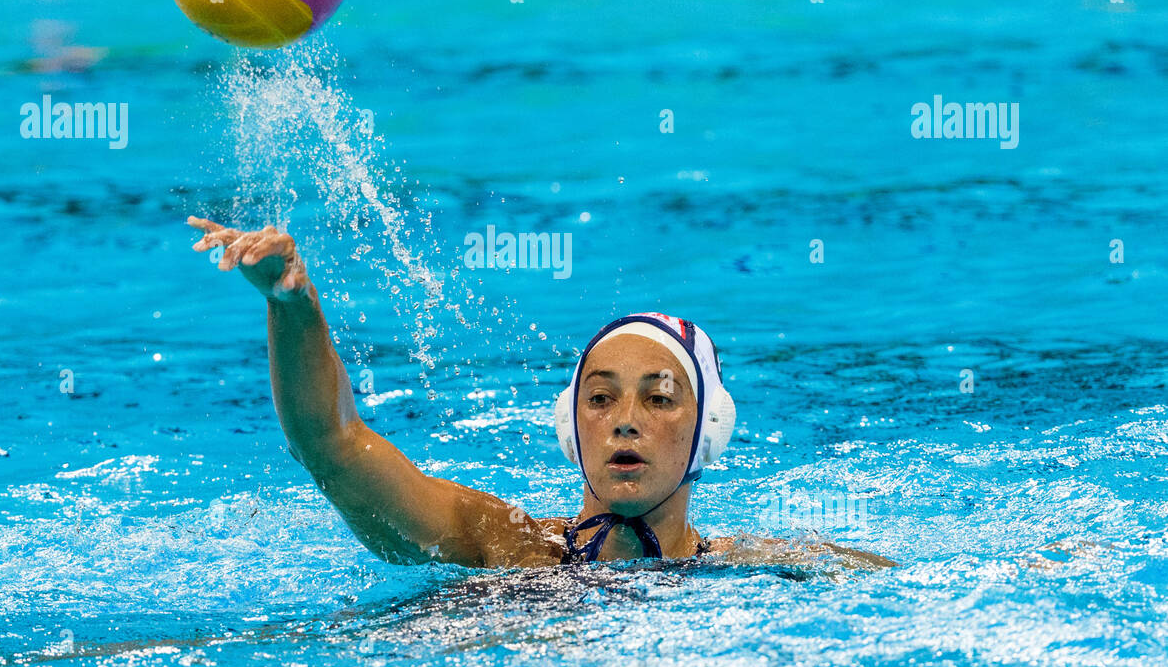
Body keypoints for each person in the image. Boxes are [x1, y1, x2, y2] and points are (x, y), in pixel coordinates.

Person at [188, 216, 895, 571]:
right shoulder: (499, 542)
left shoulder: (767, 571)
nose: (624, 422)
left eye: (658, 398)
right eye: (600, 399)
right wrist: (291, 301)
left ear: (706, 432)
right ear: (571, 425)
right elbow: (332, 447)